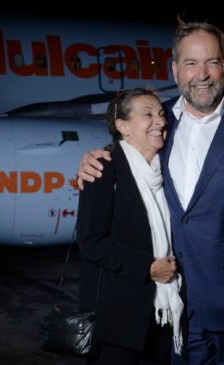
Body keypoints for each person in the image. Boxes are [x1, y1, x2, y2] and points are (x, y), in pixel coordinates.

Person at [77, 18, 224, 365]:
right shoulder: (160, 122)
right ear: (176, 69)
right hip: (176, 309)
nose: (202, 74)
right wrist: (92, 160)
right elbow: (127, 156)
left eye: (212, 62)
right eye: (191, 63)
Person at [76, 87, 184, 365]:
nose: (160, 121)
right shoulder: (103, 170)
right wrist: (147, 267)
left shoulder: (170, 172)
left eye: (161, 113)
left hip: (162, 316)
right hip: (118, 320)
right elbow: (91, 243)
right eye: (147, 114)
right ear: (123, 126)